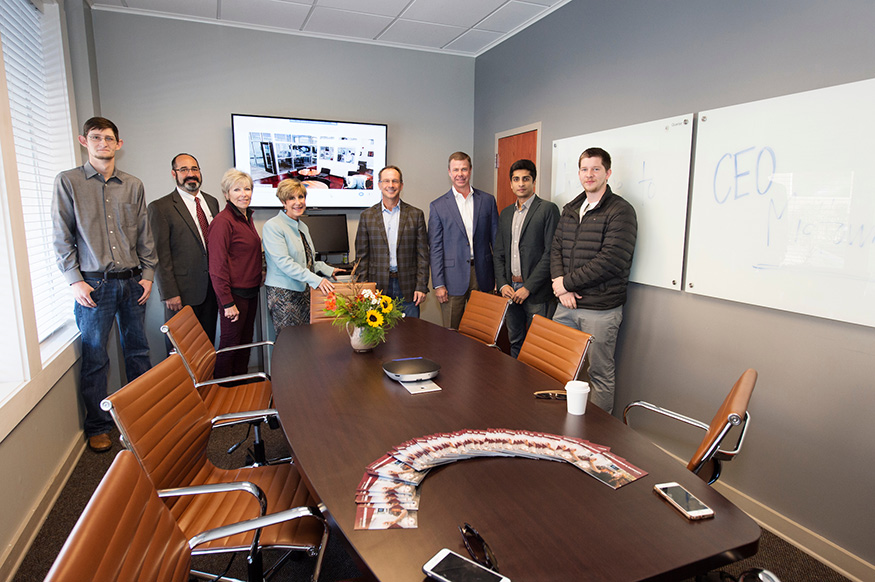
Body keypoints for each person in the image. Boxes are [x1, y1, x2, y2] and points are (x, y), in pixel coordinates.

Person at [52, 116, 157, 453]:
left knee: (138, 353)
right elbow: (60, 237)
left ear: (118, 144)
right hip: (93, 286)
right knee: (96, 357)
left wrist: (148, 275)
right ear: (84, 141)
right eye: (95, 137)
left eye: (109, 138)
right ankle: (98, 426)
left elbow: (145, 235)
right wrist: (75, 282)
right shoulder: (68, 182)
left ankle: (142, 420)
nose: (103, 143)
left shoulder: (133, 185)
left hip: (132, 284)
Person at [550, 147, 637, 413]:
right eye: (585, 169)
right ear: (579, 173)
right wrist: (559, 284)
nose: (590, 175)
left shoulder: (620, 211)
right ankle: (554, 431)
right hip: (565, 305)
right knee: (555, 370)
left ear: (608, 173)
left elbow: (611, 260)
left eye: (596, 169)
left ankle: (595, 440)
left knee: (599, 376)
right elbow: (556, 249)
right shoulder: (571, 208)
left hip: (601, 309)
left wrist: (567, 284)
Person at [148, 154, 220, 351]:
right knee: (182, 351)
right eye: (184, 170)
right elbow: (160, 255)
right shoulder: (160, 208)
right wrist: (169, 293)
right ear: (174, 174)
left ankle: (207, 383)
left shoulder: (212, 202)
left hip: (211, 291)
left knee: (207, 347)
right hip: (181, 294)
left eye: (194, 169)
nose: (191, 174)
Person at [493, 159, 560, 357]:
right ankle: (516, 385)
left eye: (526, 179)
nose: (521, 183)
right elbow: (499, 253)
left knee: (537, 347)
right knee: (515, 341)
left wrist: (528, 287)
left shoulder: (547, 210)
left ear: (534, 182)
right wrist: (503, 283)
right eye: (516, 179)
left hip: (536, 293)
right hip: (510, 291)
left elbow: (551, 253)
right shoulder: (506, 213)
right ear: (511, 184)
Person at [428, 151, 499, 329]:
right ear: (449, 172)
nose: (460, 174)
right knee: (451, 333)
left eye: (464, 169)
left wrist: (500, 277)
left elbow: (497, 242)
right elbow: (435, 248)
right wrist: (439, 284)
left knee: (482, 330)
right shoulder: (438, 206)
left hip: (483, 276)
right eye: (456, 170)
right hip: (452, 280)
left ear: (470, 170)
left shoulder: (488, 201)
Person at [263, 179, 342, 334]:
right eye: (291, 198)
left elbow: (308, 259)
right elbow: (285, 263)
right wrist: (317, 280)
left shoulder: (302, 226)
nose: (298, 202)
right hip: (284, 296)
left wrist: (329, 270)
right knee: (290, 344)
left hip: (303, 293)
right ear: (283, 202)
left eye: (301, 197)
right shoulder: (273, 226)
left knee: (305, 341)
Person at [354, 165, 429, 317]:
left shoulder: (416, 215)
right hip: (377, 287)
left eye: (395, 181)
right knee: (379, 337)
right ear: (379, 185)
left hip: (408, 287)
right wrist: (363, 288)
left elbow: (423, 256)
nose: (391, 185)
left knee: (410, 335)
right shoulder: (367, 216)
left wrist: (421, 286)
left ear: (401, 185)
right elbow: (362, 258)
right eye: (386, 181)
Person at [208, 169, 262, 377]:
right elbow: (217, 266)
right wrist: (227, 302)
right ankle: (222, 391)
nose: (244, 194)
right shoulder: (223, 222)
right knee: (230, 346)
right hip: (234, 297)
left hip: (250, 292)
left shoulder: (246, 217)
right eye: (237, 189)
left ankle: (240, 389)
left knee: (244, 344)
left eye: (247, 189)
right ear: (226, 194)